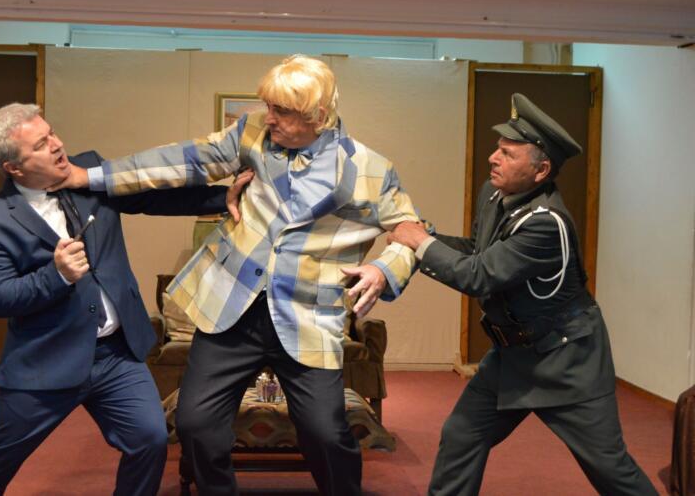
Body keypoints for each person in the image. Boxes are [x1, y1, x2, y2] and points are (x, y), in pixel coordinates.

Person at [54, 55, 421, 495]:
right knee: (195, 423)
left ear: (318, 116)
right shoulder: (252, 134)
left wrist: (384, 269)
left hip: (306, 318)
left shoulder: (371, 170)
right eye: (268, 107)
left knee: (325, 432)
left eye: (281, 110)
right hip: (232, 310)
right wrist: (91, 176)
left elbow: (412, 231)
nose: (270, 118)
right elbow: (182, 160)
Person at [0, 103, 247, 496]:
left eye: (51, 133)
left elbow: (152, 198)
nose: (57, 144)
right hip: (48, 361)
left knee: (149, 439)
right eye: (40, 145)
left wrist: (222, 198)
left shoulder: (88, 171)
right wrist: (56, 275)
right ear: (14, 168)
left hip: (116, 356)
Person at [389, 93, 656, 495]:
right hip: (513, 354)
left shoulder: (546, 223)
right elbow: (479, 252)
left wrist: (421, 243)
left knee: (609, 468)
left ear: (540, 170)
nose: (493, 158)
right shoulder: (494, 194)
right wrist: (424, 240)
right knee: (462, 435)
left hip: (566, 362)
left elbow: (479, 276)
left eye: (508, 154)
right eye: (497, 148)